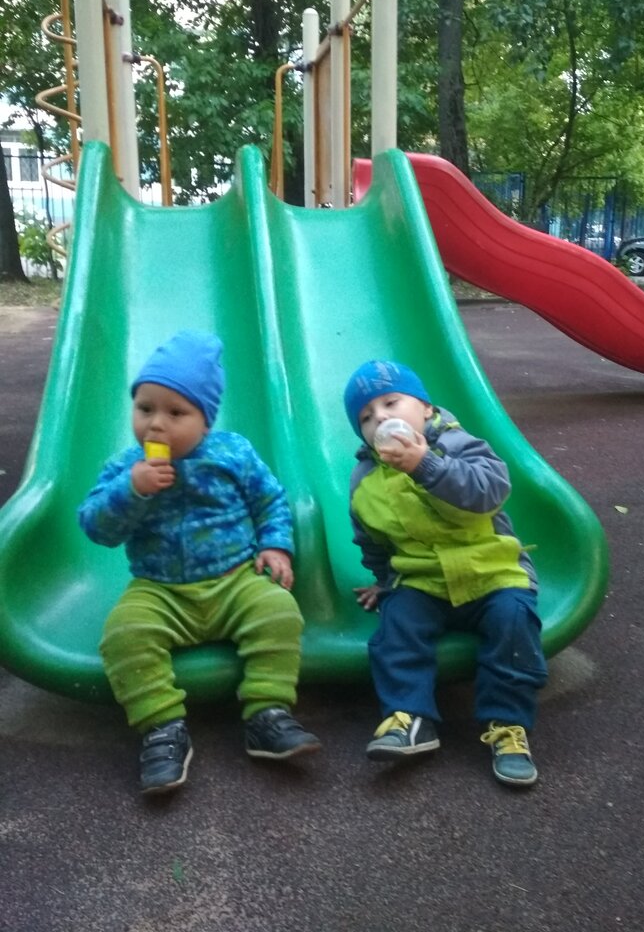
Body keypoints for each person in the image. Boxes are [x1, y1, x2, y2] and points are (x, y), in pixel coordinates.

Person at [78, 330, 320, 795]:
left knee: (279, 611)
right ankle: (161, 728)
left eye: (176, 413)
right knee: (124, 634)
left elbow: (270, 502)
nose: (156, 424)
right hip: (160, 589)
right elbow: (96, 527)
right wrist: (132, 490)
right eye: (145, 408)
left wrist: (275, 546)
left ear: (205, 422)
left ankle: (267, 713)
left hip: (235, 580)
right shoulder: (125, 468)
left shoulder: (233, 453)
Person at [343, 360, 548, 787]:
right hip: (424, 581)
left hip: (492, 572)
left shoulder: (460, 445)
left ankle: (508, 725)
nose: (379, 417)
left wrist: (424, 464)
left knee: (513, 624)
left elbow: (489, 493)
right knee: (396, 628)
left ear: (425, 407)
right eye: (365, 417)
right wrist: (384, 581)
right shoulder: (365, 479)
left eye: (390, 402)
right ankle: (409, 717)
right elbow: (370, 538)